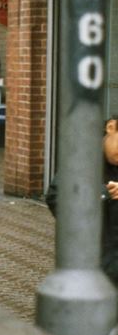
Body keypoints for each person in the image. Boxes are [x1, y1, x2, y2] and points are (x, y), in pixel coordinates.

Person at [46, 118, 118, 285]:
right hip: (91, 268)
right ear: (111, 127)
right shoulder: (82, 160)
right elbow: (56, 198)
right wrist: (102, 193)